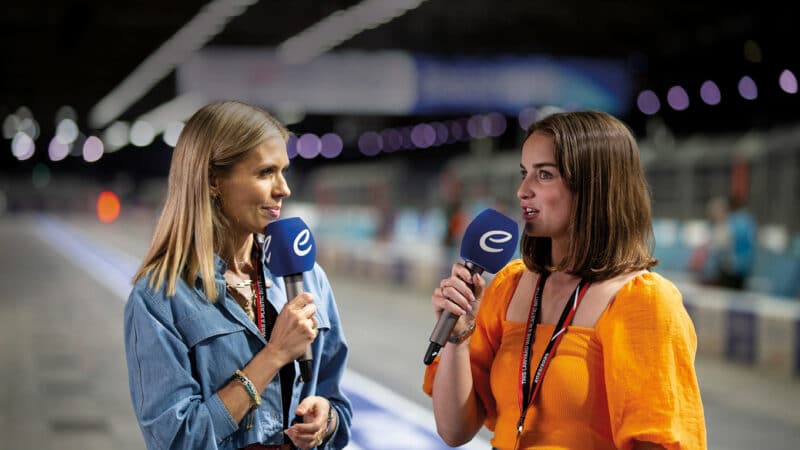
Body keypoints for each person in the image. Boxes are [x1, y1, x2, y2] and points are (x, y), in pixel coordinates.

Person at [422, 111, 706, 449]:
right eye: (524, 174)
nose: (522, 191)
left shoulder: (643, 302)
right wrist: (458, 340)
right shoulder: (509, 286)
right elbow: (454, 431)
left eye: (544, 175)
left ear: (594, 186)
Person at [124, 100, 352, 450]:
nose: (284, 189)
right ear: (214, 180)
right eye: (265, 173)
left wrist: (327, 419)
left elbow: (336, 404)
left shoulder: (308, 276)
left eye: (284, 171)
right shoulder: (160, 296)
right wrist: (273, 355)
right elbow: (178, 440)